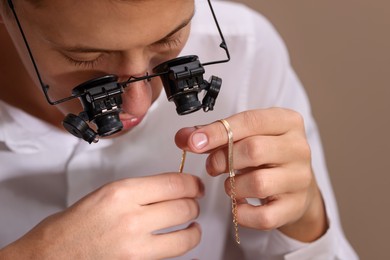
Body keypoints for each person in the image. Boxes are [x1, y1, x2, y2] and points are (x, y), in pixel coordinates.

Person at [0, 0, 358, 259]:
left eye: (169, 41)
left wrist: (307, 221)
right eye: (86, 59)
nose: (139, 105)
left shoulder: (246, 50)